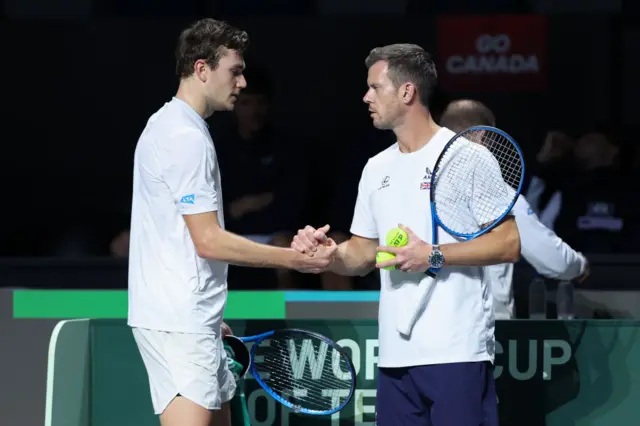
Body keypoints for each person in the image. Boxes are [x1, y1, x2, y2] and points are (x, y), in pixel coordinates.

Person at [292, 44, 521, 426]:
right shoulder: (374, 168)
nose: (366, 97)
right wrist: (331, 254)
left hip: (455, 351)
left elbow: (508, 242)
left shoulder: (467, 157)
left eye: (374, 87)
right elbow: (364, 253)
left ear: (407, 92)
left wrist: (433, 255)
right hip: (396, 359)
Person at [126, 18, 337, 426]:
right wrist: (292, 260)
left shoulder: (177, 127)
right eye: (235, 72)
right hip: (179, 321)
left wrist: (208, 312)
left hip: (191, 316)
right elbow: (209, 241)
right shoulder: (183, 137)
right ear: (202, 69)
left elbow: (178, 238)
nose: (241, 84)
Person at [439, 99, 590, 319]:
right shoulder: (498, 192)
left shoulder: (416, 182)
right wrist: (579, 265)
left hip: (429, 326)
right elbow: (551, 258)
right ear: (482, 136)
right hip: (484, 331)